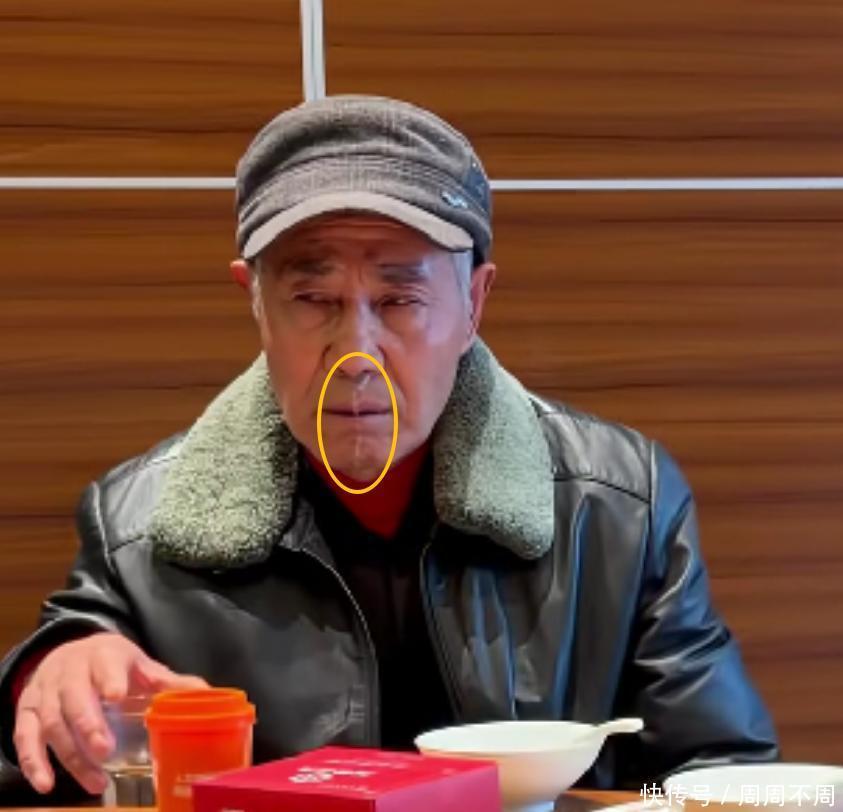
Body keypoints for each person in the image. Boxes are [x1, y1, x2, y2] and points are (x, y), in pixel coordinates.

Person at [0, 95, 778, 799]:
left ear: (473, 303)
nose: (356, 353)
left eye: (400, 299)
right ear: (256, 303)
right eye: (314, 298)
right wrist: (50, 669)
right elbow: (58, 719)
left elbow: (718, 772)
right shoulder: (141, 525)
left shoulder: (619, 505)